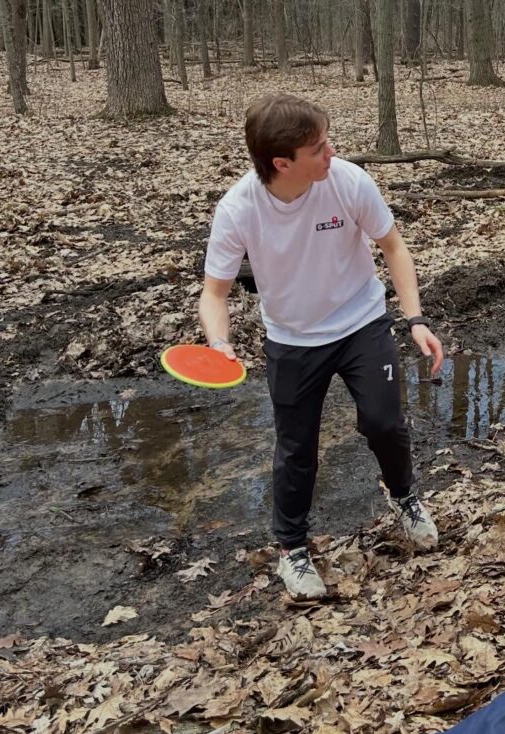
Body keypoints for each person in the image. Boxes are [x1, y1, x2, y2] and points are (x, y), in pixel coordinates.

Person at [199, 93, 444, 600]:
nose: (331, 152)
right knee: (296, 448)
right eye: (318, 147)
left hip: (361, 323)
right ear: (281, 163)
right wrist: (219, 343)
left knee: (385, 422)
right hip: (292, 339)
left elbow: (394, 246)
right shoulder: (239, 208)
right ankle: (292, 549)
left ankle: (405, 498)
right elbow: (214, 292)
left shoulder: (348, 181)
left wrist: (414, 317)